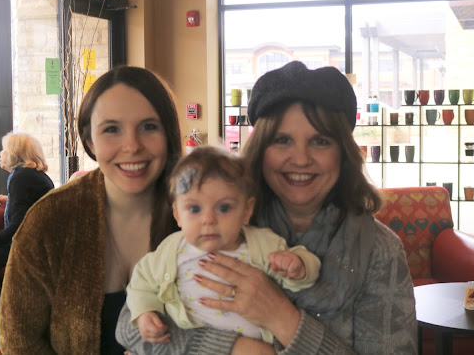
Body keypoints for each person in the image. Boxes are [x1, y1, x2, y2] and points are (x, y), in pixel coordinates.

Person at [116, 61, 417, 354]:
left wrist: (282, 318)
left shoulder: (379, 251)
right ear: (260, 149)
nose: (301, 159)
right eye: (282, 140)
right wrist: (237, 348)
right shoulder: (218, 218)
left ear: (344, 152)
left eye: (320, 141)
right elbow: (131, 329)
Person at [0, 66, 182, 354]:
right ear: (89, 142)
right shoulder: (51, 219)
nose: (132, 146)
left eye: (149, 126)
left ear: (169, 134)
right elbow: (19, 341)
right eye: (112, 129)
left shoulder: (208, 213)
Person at [126, 145, 321, 345]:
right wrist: (145, 312)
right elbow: (142, 281)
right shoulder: (172, 250)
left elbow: (301, 271)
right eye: (195, 209)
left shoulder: (263, 245)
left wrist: (298, 266)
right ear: (177, 214)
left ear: (247, 210)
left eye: (224, 208)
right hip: (195, 345)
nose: (208, 220)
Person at [0, 132, 55, 349]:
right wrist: (10, 201)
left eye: (5, 149)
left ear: (15, 154)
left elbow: (18, 224)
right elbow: (30, 208)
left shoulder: (20, 177)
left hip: (31, 248)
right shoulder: (32, 175)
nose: (0, 153)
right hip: (41, 244)